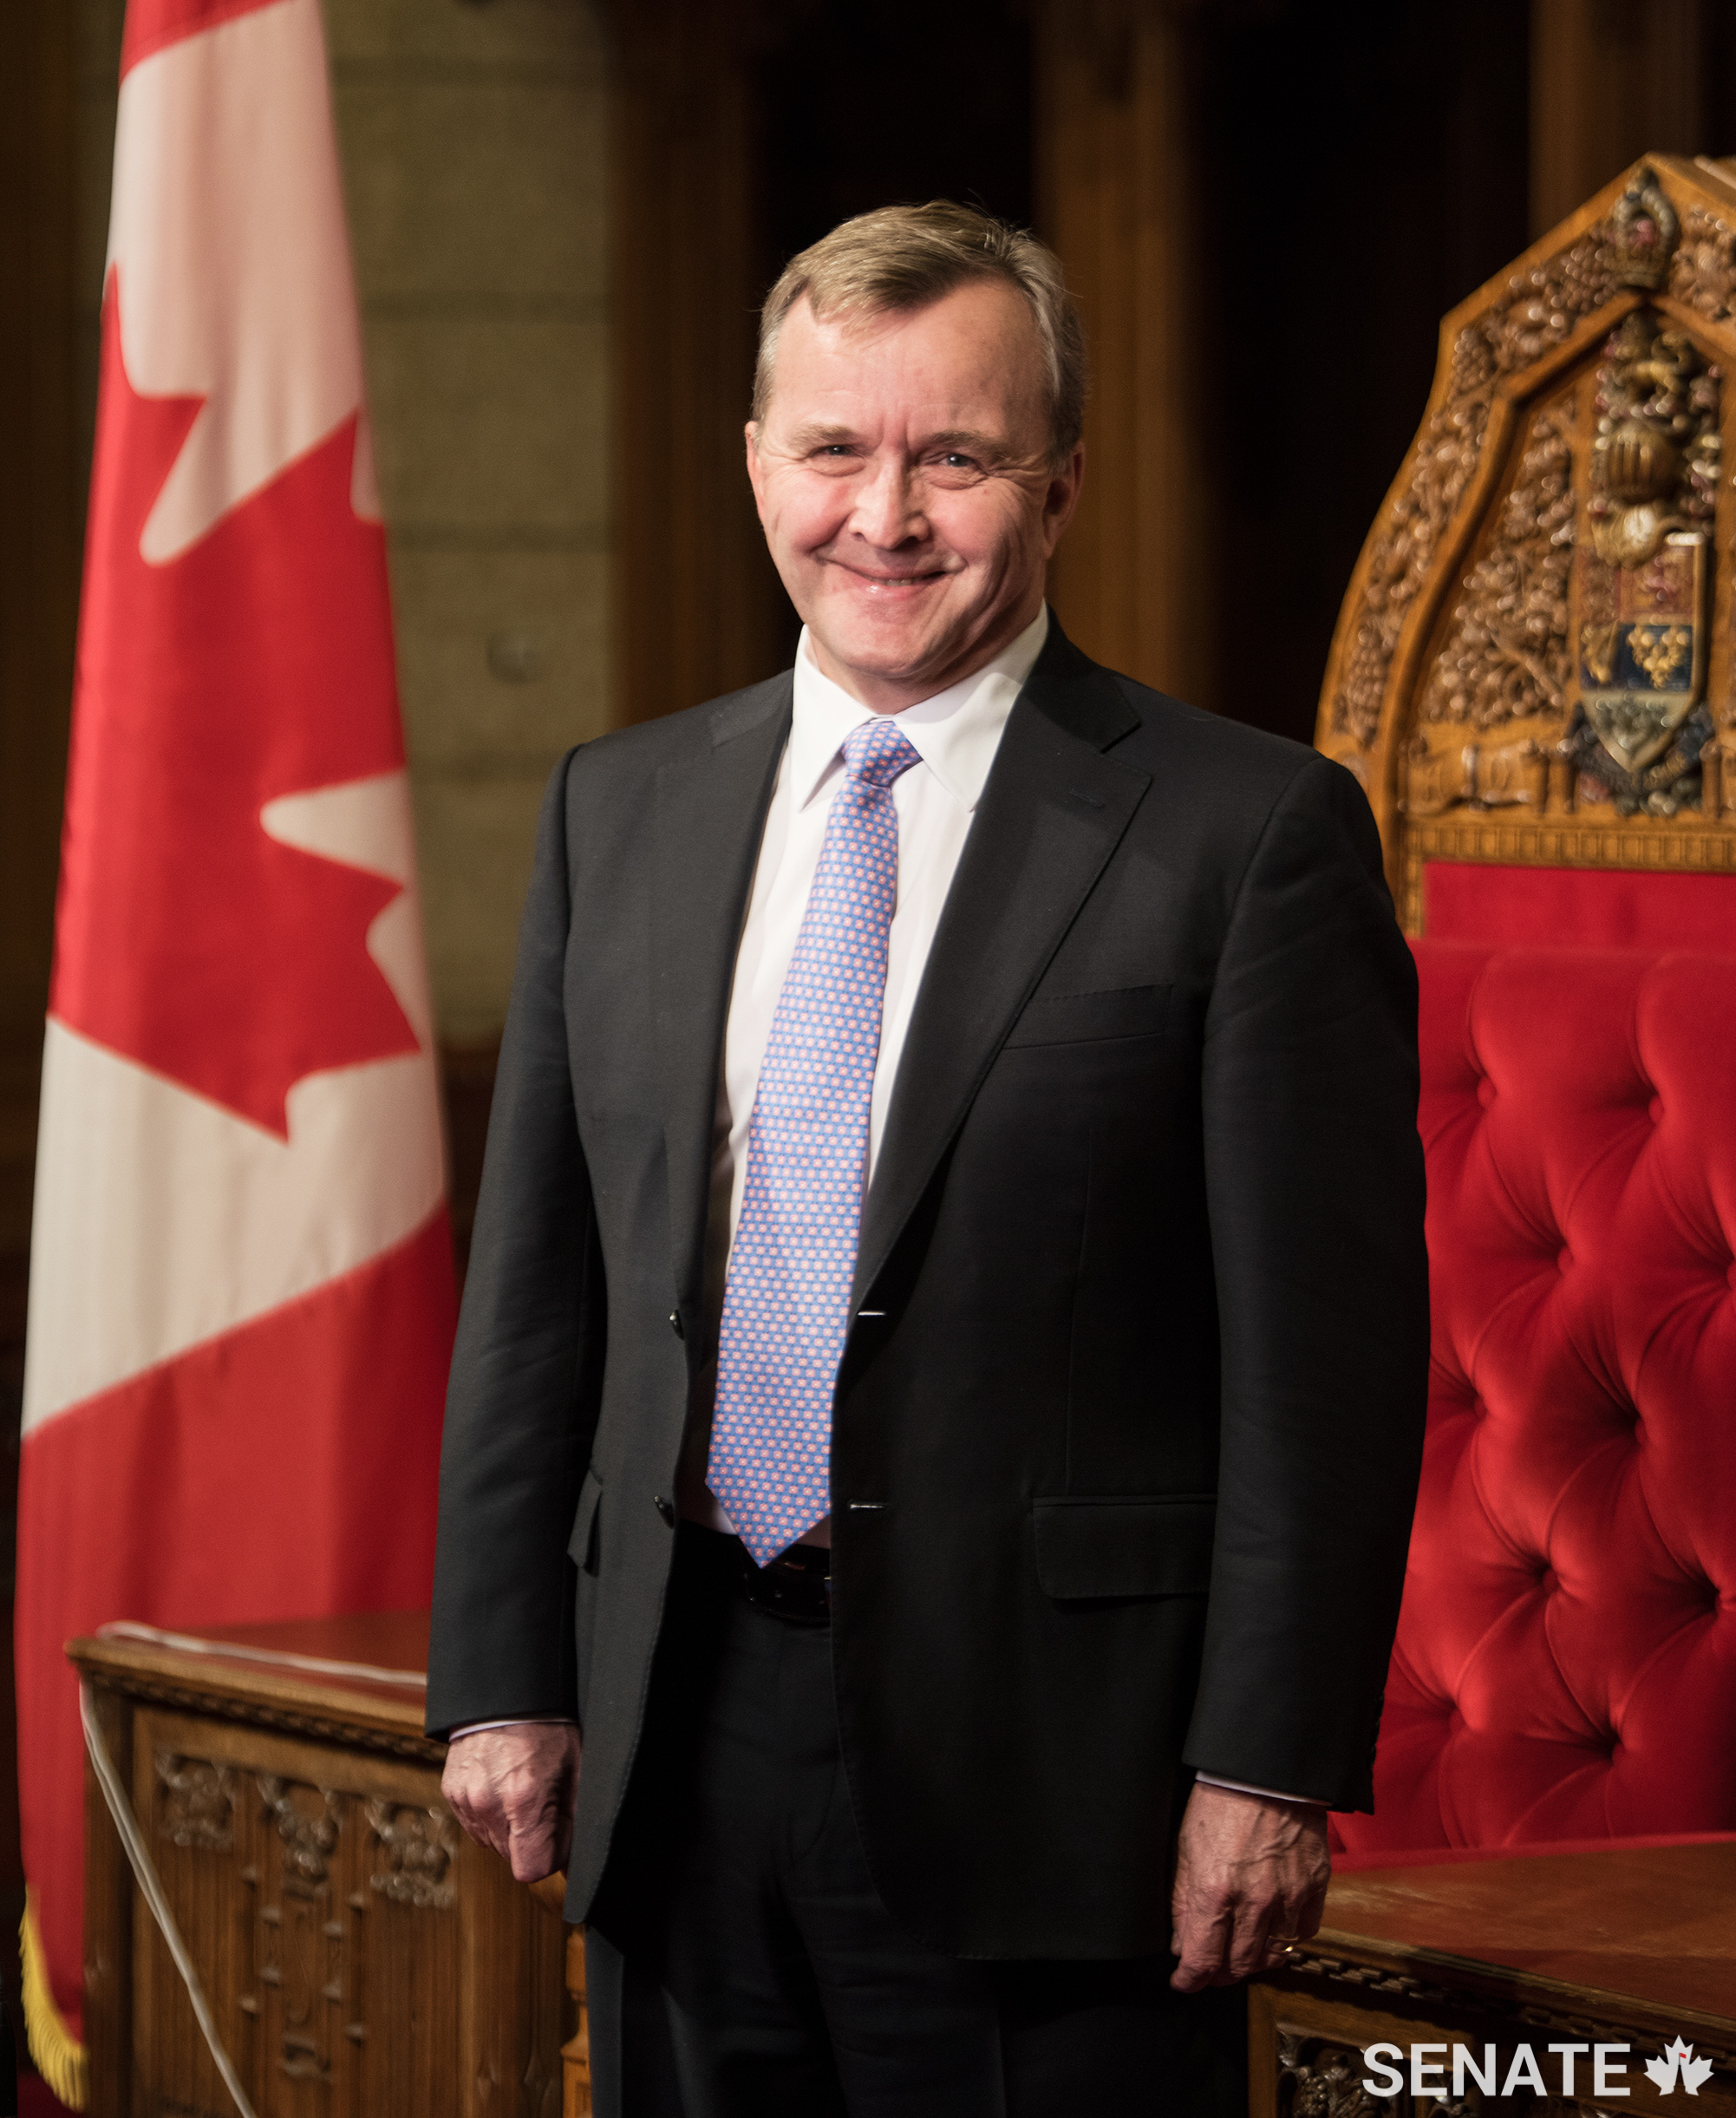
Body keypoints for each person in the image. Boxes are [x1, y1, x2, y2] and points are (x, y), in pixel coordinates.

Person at [427, 202, 1429, 2118]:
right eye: (831, 450)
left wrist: (1265, 1766)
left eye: (952, 456)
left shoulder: (1247, 838)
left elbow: (1324, 1368)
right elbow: (535, 1290)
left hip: (1065, 1784)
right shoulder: (615, 808)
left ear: (1054, 484)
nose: (880, 516)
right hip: (676, 1732)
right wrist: (498, 1666)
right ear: (753, 462)